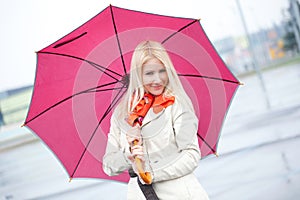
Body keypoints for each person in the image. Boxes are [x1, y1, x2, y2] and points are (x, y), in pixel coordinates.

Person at [103, 41, 209, 199]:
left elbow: (191, 156)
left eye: (162, 71)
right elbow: (109, 165)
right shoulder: (121, 114)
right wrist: (129, 155)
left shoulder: (177, 105)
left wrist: (151, 173)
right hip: (139, 195)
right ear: (138, 75)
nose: (158, 79)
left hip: (179, 193)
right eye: (149, 73)